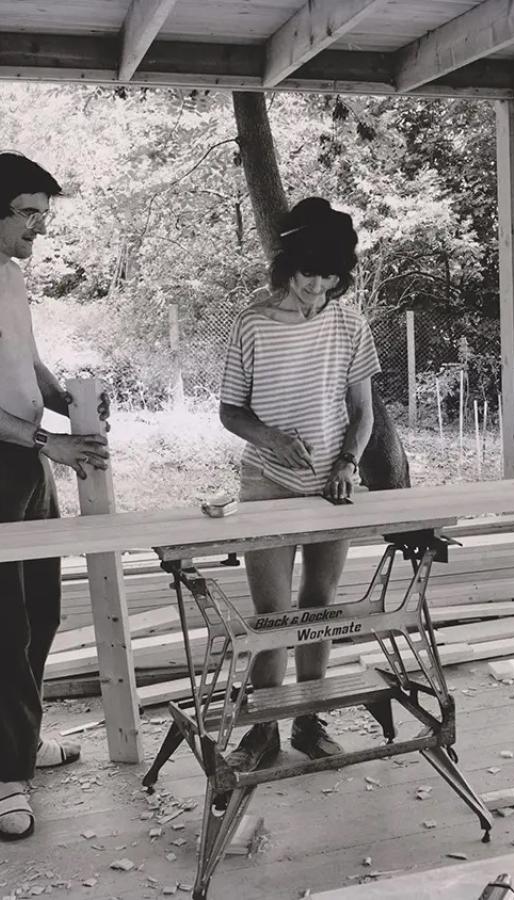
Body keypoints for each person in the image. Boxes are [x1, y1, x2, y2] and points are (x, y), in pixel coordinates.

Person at [219, 197, 380, 769]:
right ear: (288, 267)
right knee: (272, 615)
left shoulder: (350, 323)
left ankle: (310, 720)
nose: (318, 287)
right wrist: (269, 438)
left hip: (331, 486)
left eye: (330, 277)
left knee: (318, 607)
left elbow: (363, 413)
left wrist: (348, 464)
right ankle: (261, 730)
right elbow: (230, 412)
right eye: (309, 274)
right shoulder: (252, 322)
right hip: (267, 482)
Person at [0, 152, 110, 841]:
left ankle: (22, 738)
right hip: (6, 459)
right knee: (3, 625)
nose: (39, 228)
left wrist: (68, 403)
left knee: (42, 610)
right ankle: (5, 777)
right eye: (27, 214)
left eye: (44, 215)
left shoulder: (10, 275)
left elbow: (26, 361)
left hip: (27, 457)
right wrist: (49, 442)